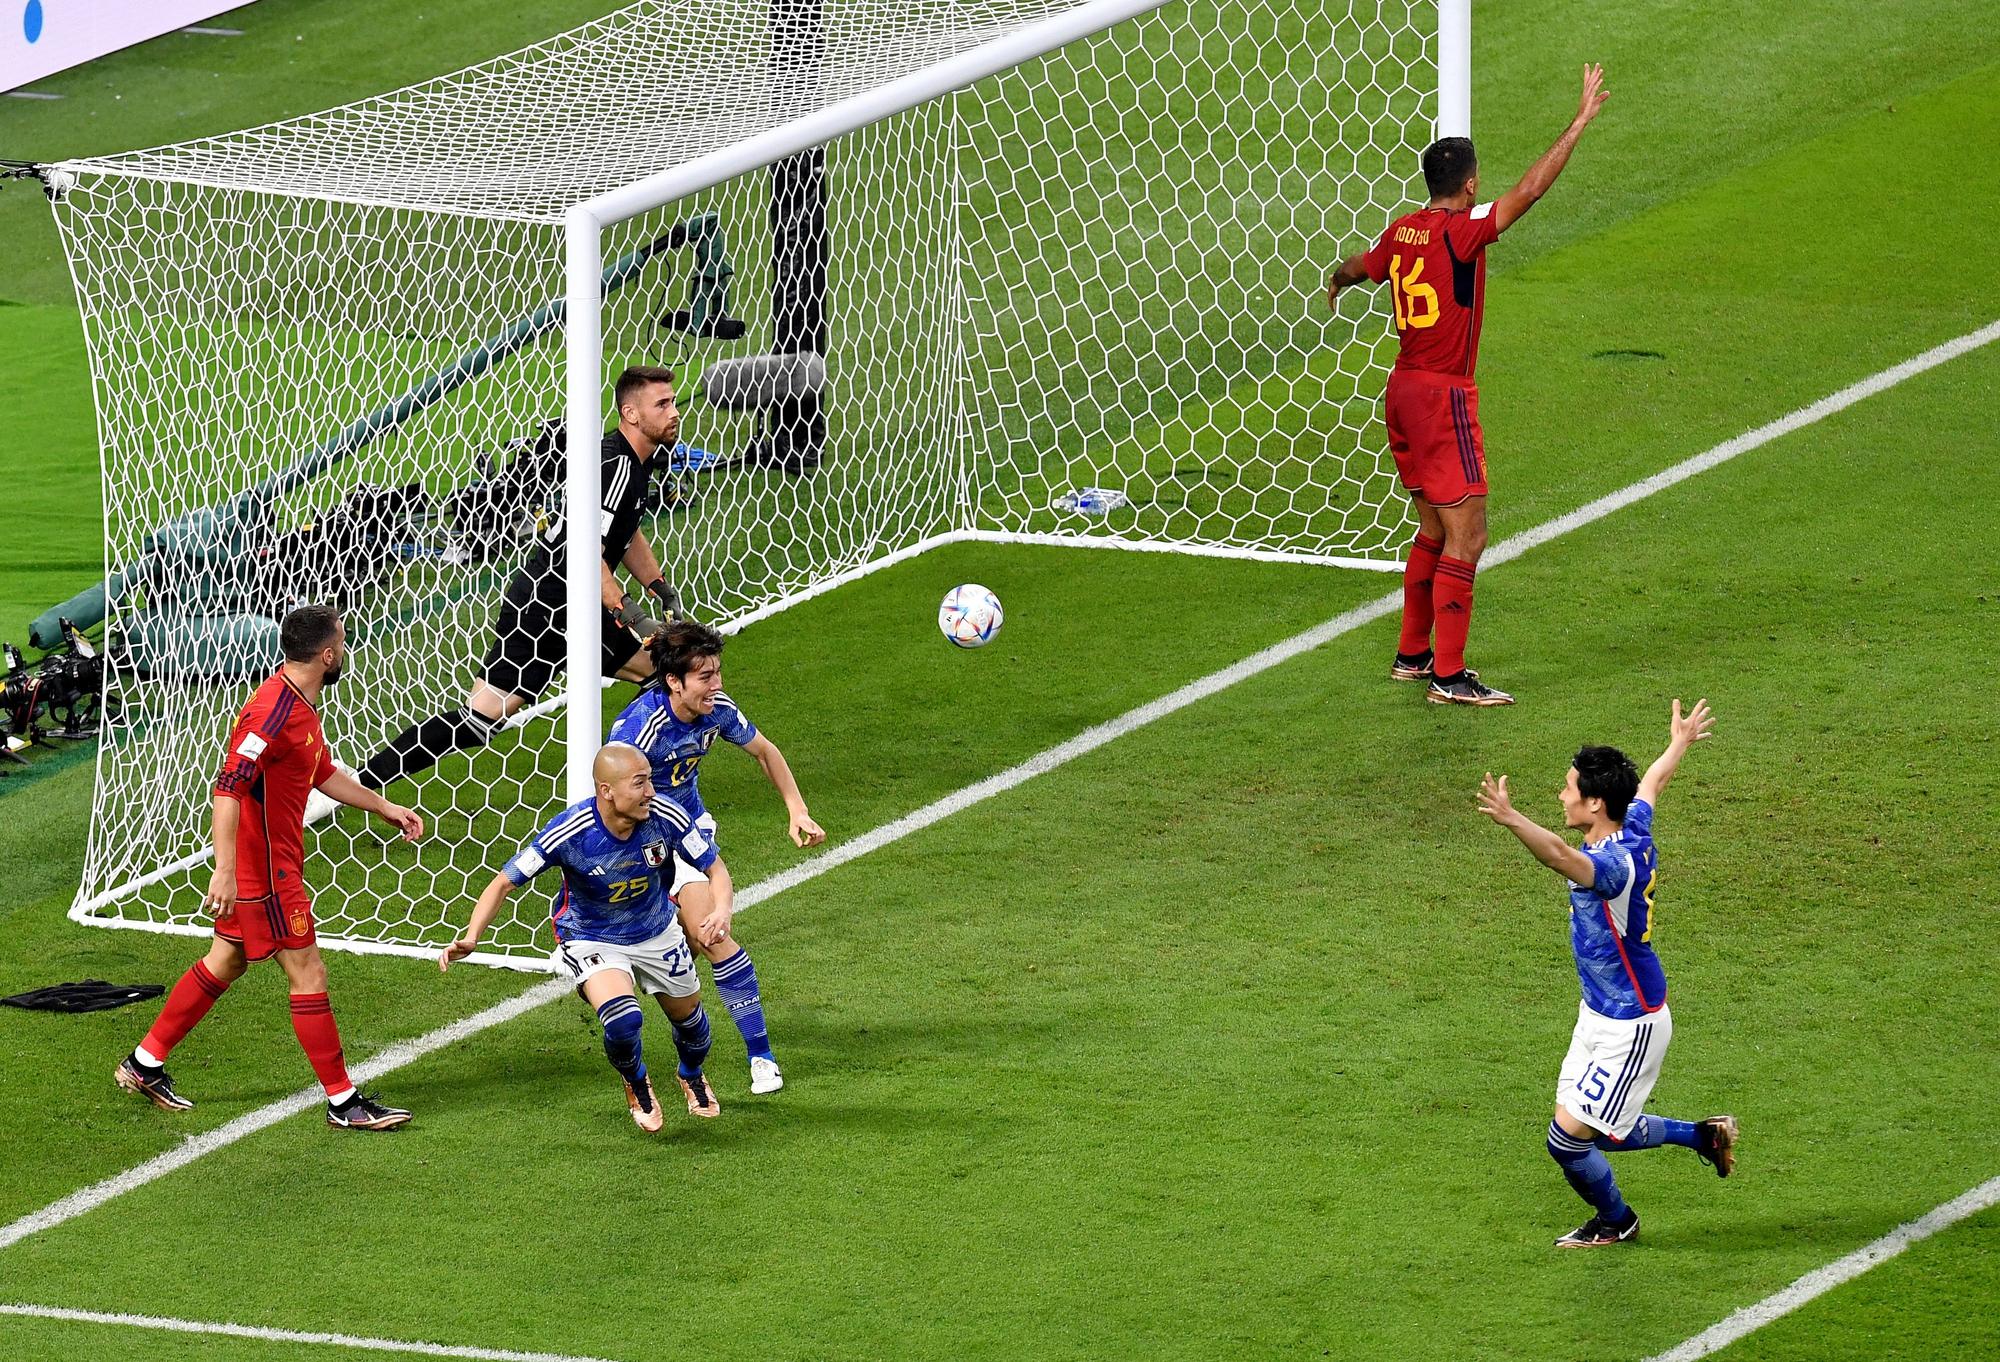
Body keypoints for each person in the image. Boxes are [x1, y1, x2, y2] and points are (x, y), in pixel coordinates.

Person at [1327, 65, 1612, 705]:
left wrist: (1338, 279)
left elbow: (1360, 267)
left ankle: (1411, 654)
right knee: (1469, 534)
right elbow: (1530, 193)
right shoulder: (1462, 234)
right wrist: (1580, 122)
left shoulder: (1400, 230)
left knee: (1433, 527)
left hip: (1400, 392)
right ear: (1472, 184)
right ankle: (1449, 678)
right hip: (1441, 397)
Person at [115, 605, 424, 1130]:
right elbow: (227, 787)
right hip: (266, 874)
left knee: (227, 959)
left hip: (270, 865)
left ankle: (143, 1062)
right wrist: (226, 871)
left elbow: (322, 771)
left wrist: (384, 806)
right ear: (327, 655)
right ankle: (344, 1103)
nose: (345, 651)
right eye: (343, 644)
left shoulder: (299, 703)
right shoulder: (273, 712)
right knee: (309, 973)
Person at [349, 366, 688, 796]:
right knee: (667, 674)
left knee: (479, 720)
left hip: (542, 597)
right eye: (662, 404)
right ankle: (633, 784)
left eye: (673, 401)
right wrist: (629, 613)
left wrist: (659, 586)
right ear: (631, 413)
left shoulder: (632, 462)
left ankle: (356, 781)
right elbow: (584, 550)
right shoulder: (615, 466)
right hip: (556, 606)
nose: (674, 411)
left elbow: (626, 530)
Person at [1476, 699, 1737, 1247]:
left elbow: (1555, 857)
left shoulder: (1612, 867)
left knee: (1569, 1142)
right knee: (1597, 1131)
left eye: (1570, 787)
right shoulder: (1629, 823)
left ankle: (1618, 1222)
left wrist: (1510, 817)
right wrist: (1680, 743)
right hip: (1597, 1011)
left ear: (1596, 804)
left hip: (1631, 1022)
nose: (1562, 794)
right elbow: (1652, 787)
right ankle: (1702, 1136)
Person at [441, 742, 722, 1127]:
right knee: (623, 1022)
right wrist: (472, 937)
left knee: (693, 1028)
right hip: (592, 936)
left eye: (650, 781)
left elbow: (716, 869)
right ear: (607, 791)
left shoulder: (667, 817)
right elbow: (504, 882)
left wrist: (720, 909)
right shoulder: (570, 832)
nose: (651, 792)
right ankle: (636, 1081)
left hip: (657, 931)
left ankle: (690, 1074)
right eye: (640, 783)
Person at [608, 620, 824, 1095]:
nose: (717, 685)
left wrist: (796, 809)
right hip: (638, 842)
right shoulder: (639, 732)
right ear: (674, 682)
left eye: (718, 672)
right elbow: (613, 800)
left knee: (714, 935)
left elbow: (765, 752)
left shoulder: (716, 709)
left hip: (687, 833)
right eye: (705, 676)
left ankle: (761, 1055)